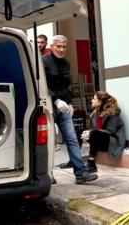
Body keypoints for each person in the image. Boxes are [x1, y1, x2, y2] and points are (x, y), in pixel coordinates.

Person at [43, 35, 98, 184]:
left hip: (64, 107)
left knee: (72, 139)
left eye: (64, 47)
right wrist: (55, 100)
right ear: (52, 46)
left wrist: (69, 102)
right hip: (48, 107)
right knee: (48, 142)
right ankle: (47, 175)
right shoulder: (44, 62)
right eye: (58, 46)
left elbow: (66, 86)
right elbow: (42, 86)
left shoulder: (66, 63)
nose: (61, 50)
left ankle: (80, 174)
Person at [81, 91, 126, 173]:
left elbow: (110, 131)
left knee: (94, 133)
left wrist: (90, 133)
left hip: (111, 142)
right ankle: (75, 160)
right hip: (99, 140)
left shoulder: (112, 113)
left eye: (94, 99)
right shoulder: (96, 113)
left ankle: (91, 164)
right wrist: (87, 134)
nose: (92, 100)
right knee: (79, 132)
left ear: (100, 102)